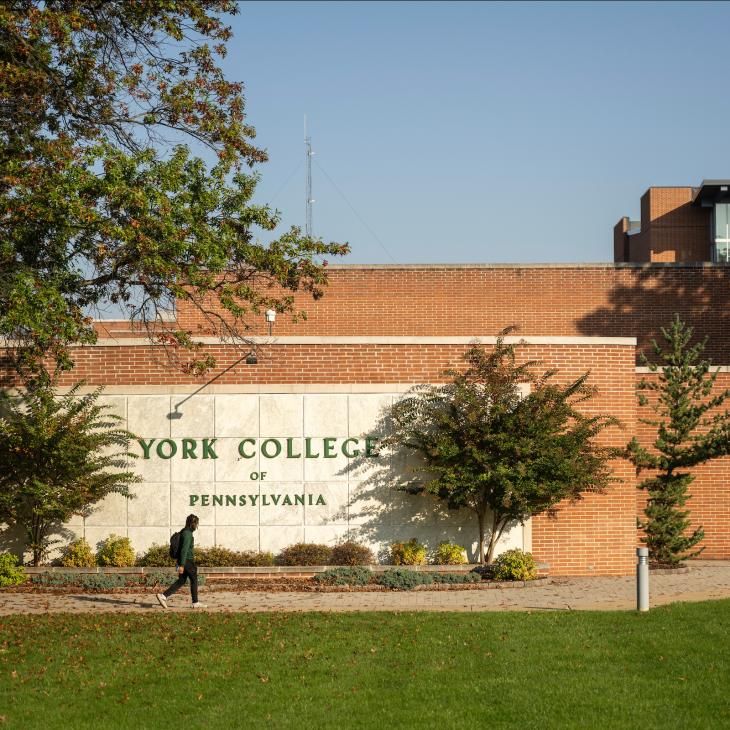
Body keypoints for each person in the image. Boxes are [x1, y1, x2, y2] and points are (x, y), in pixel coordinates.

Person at [157, 514, 207, 609]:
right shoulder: (187, 534)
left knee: (181, 580)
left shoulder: (184, 531)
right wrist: (182, 565)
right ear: (192, 523)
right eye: (196, 523)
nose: (196, 526)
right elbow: (184, 550)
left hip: (183, 560)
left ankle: (163, 596)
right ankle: (195, 602)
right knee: (194, 579)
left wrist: (180, 563)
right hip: (187, 561)